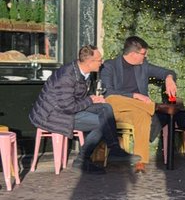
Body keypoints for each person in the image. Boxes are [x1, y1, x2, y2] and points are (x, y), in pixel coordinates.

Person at [29, 44, 141, 173]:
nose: (102, 63)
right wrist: (90, 100)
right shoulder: (67, 76)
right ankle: (81, 161)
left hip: (67, 108)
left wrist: (93, 99)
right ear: (89, 62)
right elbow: (68, 107)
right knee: (102, 124)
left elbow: (75, 98)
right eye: (99, 60)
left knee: (105, 108)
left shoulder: (83, 72)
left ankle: (114, 150)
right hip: (52, 115)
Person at [100, 36, 185, 172]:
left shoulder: (143, 66)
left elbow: (167, 72)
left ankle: (140, 162)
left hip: (136, 110)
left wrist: (169, 78)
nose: (145, 56)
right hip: (116, 109)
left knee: (142, 115)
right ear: (133, 54)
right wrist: (135, 95)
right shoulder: (109, 66)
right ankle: (155, 107)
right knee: (112, 98)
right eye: (143, 53)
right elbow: (108, 92)